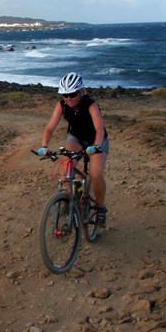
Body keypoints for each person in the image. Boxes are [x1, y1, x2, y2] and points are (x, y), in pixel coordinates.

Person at [36, 72, 110, 225]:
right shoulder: (62, 105)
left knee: (95, 174)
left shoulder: (90, 104)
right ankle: (69, 198)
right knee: (65, 169)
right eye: (65, 95)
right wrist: (44, 146)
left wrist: (96, 146)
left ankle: (101, 207)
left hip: (95, 139)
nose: (68, 98)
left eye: (72, 94)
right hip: (76, 138)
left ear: (80, 92)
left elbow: (99, 128)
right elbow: (50, 128)